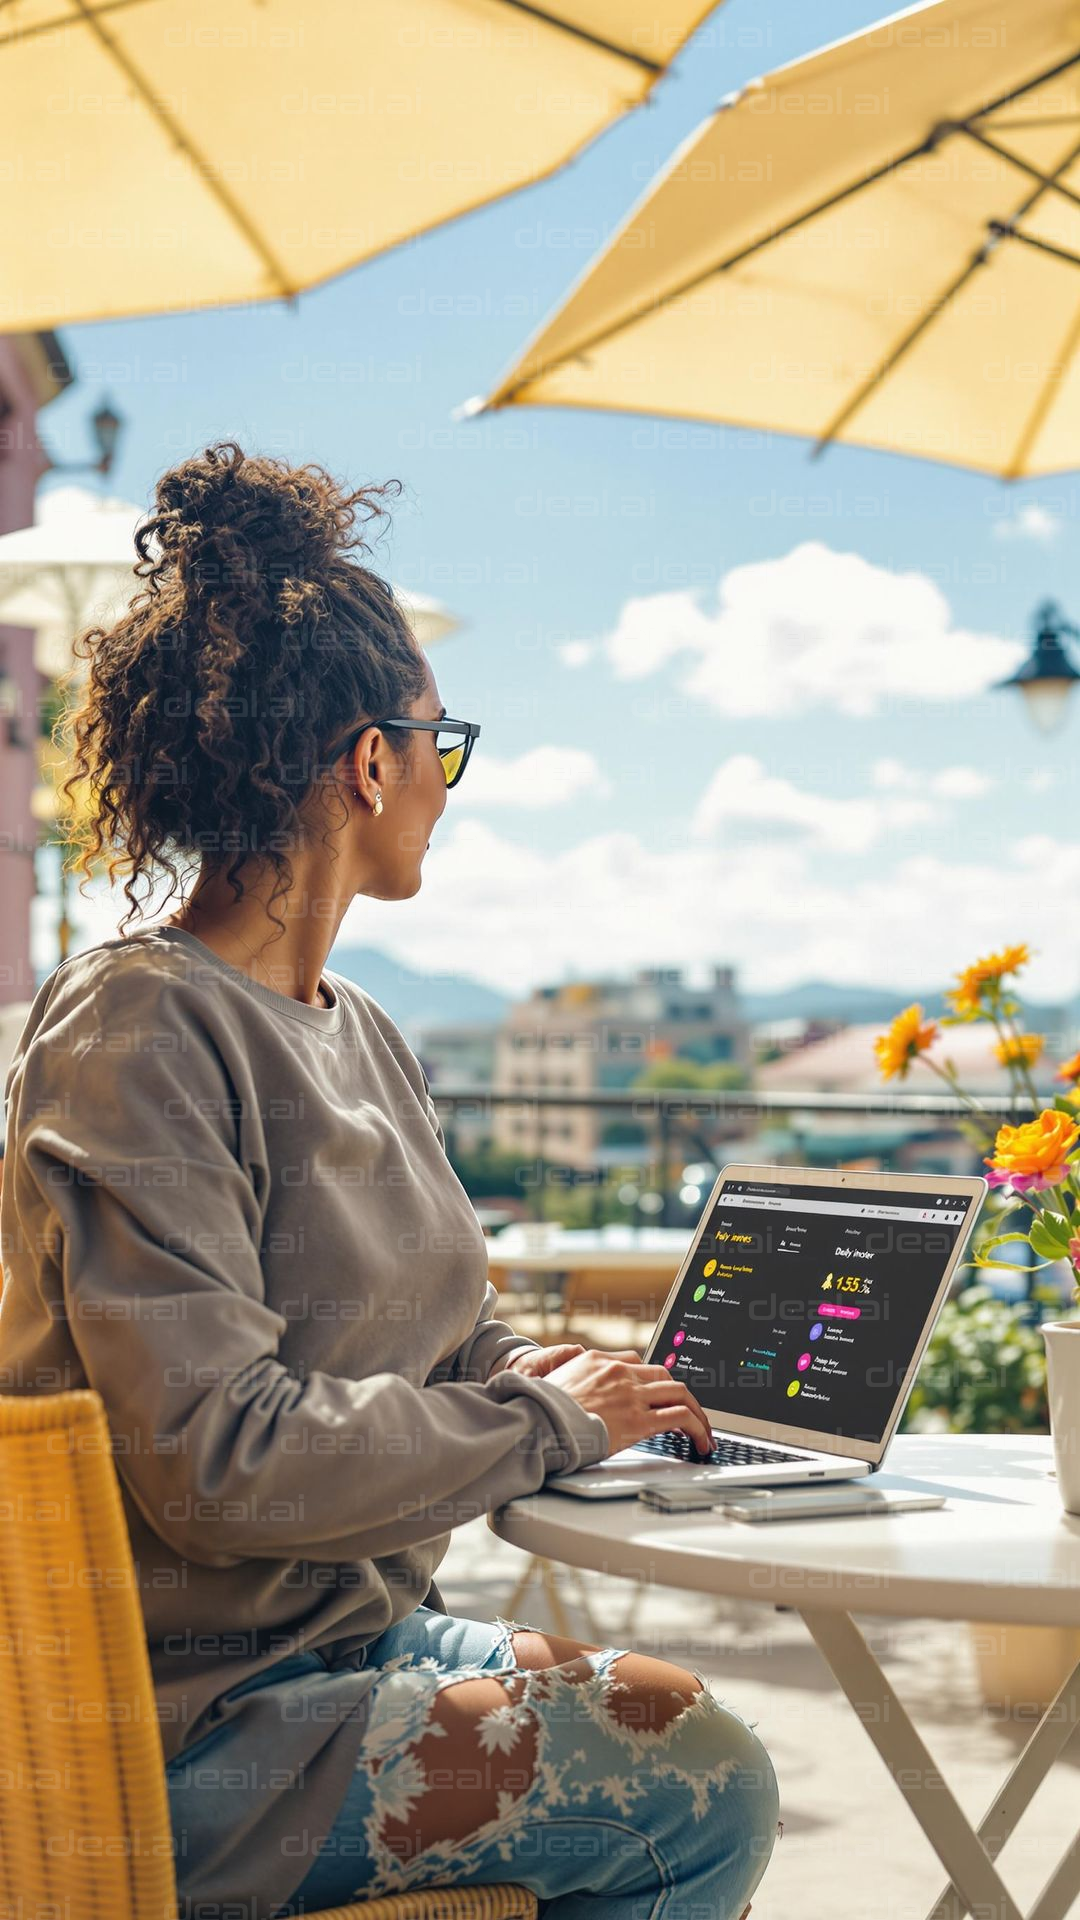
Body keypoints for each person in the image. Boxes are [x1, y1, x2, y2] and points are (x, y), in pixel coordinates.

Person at [0, 442, 779, 1920]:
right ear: (374, 761)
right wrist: (542, 1420)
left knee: (668, 1698)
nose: (446, 782)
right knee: (703, 1779)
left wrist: (525, 1367)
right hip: (183, 1728)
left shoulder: (361, 1029)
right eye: (445, 743)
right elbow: (216, 1457)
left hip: (347, 1646)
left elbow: (425, 1335)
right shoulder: (142, 1024)